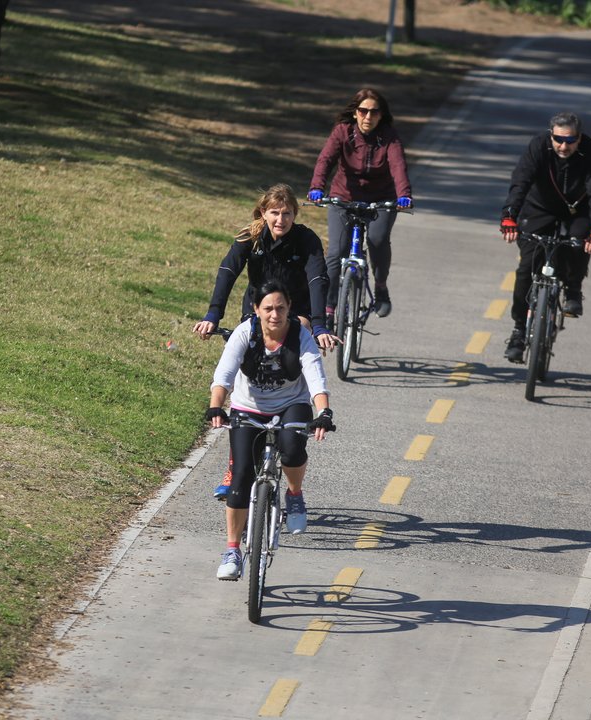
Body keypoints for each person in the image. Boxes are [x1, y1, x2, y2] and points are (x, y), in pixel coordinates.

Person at [193, 184, 337, 500]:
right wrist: (213, 315)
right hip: (257, 310)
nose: (281, 219)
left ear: (294, 215)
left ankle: (291, 408)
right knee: (246, 382)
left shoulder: (306, 239)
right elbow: (227, 271)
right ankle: (236, 465)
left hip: (295, 311)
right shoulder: (250, 237)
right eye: (274, 212)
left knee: (291, 355)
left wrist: (318, 324)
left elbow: (317, 279)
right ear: (263, 212)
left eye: (287, 213)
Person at [205, 280, 335, 580]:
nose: (274, 315)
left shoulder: (300, 335)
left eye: (281, 308)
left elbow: (315, 376)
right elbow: (224, 374)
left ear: (289, 309)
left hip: (291, 404)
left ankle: (295, 493)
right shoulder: (244, 333)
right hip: (248, 407)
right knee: (239, 479)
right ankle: (232, 550)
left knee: (291, 449)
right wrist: (216, 406)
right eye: (268, 309)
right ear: (256, 309)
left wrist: (324, 411)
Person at [499, 111, 591, 363]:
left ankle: (573, 288)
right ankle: (518, 331)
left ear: (579, 138)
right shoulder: (538, 146)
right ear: (551, 135)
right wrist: (509, 216)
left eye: (570, 140)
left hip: (577, 208)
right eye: (559, 139)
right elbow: (521, 182)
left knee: (580, 242)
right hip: (539, 207)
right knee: (526, 269)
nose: (563, 146)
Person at [308, 88, 413, 319]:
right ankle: (328, 307)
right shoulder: (342, 132)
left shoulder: (389, 137)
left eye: (374, 112)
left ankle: (381, 287)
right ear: (355, 113)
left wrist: (404, 194)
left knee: (377, 240)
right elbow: (326, 159)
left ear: (381, 115)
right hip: (344, 197)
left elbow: (398, 166)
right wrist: (317, 187)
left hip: (381, 200)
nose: (368, 117)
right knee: (336, 252)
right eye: (363, 111)